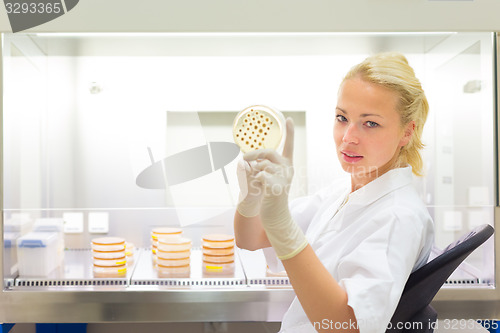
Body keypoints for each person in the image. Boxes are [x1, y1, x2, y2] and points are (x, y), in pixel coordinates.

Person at [234, 52, 435, 333]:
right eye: (342, 118)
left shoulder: (398, 217)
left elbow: (349, 327)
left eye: (371, 123)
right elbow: (251, 239)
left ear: (407, 132)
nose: (348, 136)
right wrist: (251, 199)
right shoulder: (344, 192)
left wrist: (283, 227)